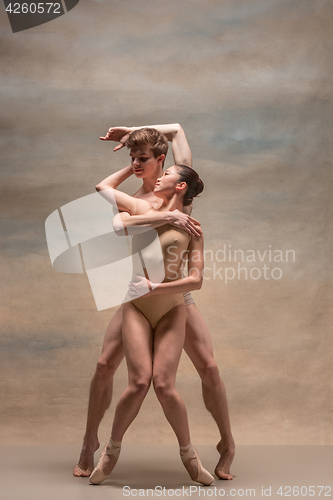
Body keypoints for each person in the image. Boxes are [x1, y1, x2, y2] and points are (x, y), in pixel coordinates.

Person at [73, 124, 234, 480]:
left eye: (142, 158)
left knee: (208, 368)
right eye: (132, 158)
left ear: (162, 162)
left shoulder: (183, 189)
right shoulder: (138, 199)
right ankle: (90, 440)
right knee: (104, 366)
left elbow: (176, 131)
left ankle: (227, 443)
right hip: (138, 292)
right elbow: (113, 209)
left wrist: (133, 130)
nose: (136, 163)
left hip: (177, 294)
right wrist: (167, 215)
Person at [89, 163, 214, 485]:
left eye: (168, 172)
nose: (159, 176)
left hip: (172, 307)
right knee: (139, 382)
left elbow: (196, 281)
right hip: (136, 308)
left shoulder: (193, 227)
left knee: (163, 385)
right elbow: (112, 210)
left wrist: (155, 288)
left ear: (181, 186)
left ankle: (190, 456)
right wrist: (166, 215)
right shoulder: (143, 208)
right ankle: (110, 453)